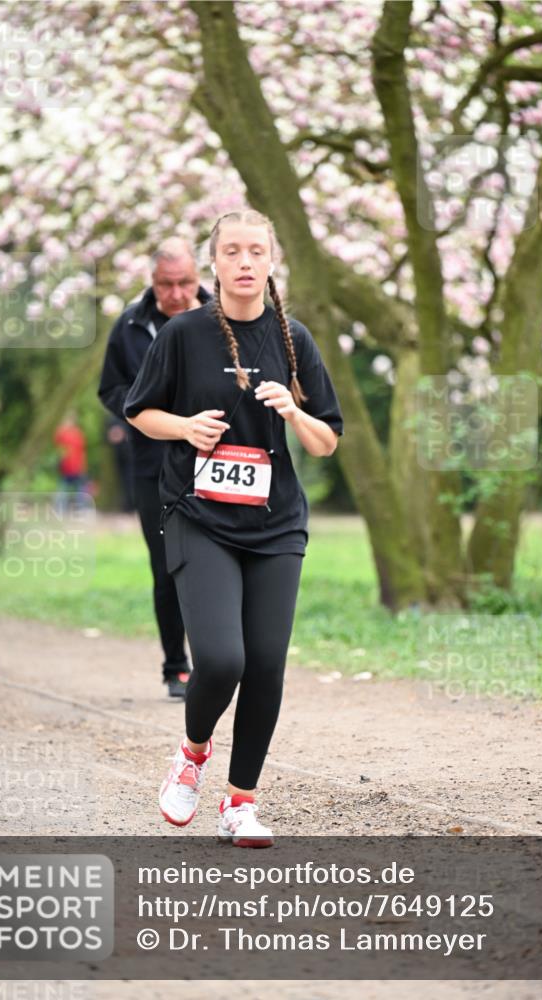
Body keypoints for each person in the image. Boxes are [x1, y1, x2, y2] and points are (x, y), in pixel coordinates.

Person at [124, 210, 343, 847]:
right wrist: (186, 428)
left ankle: (240, 802)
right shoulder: (185, 335)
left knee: (267, 665)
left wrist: (293, 411)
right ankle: (192, 755)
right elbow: (140, 411)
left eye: (256, 251)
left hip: (275, 525)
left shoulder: (294, 338)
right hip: (198, 516)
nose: (245, 262)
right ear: (213, 265)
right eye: (232, 252)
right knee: (221, 659)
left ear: (271, 261)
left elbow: (327, 440)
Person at [98, 240, 211, 699]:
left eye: (185, 282)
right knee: (166, 566)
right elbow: (110, 389)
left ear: (198, 277)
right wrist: (148, 414)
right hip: (153, 464)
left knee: (217, 562)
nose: (177, 293)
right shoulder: (129, 324)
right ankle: (176, 667)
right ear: (152, 281)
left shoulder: (223, 316)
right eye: (166, 284)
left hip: (214, 461)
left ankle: (220, 663)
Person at [53, 411, 88, 513]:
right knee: (63, 488)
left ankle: (81, 508)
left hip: (77, 466)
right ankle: (60, 509)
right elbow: (58, 447)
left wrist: (82, 466)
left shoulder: (77, 433)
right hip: (66, 466)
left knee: (80, 489)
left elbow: (82, 451)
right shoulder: (62, 432)